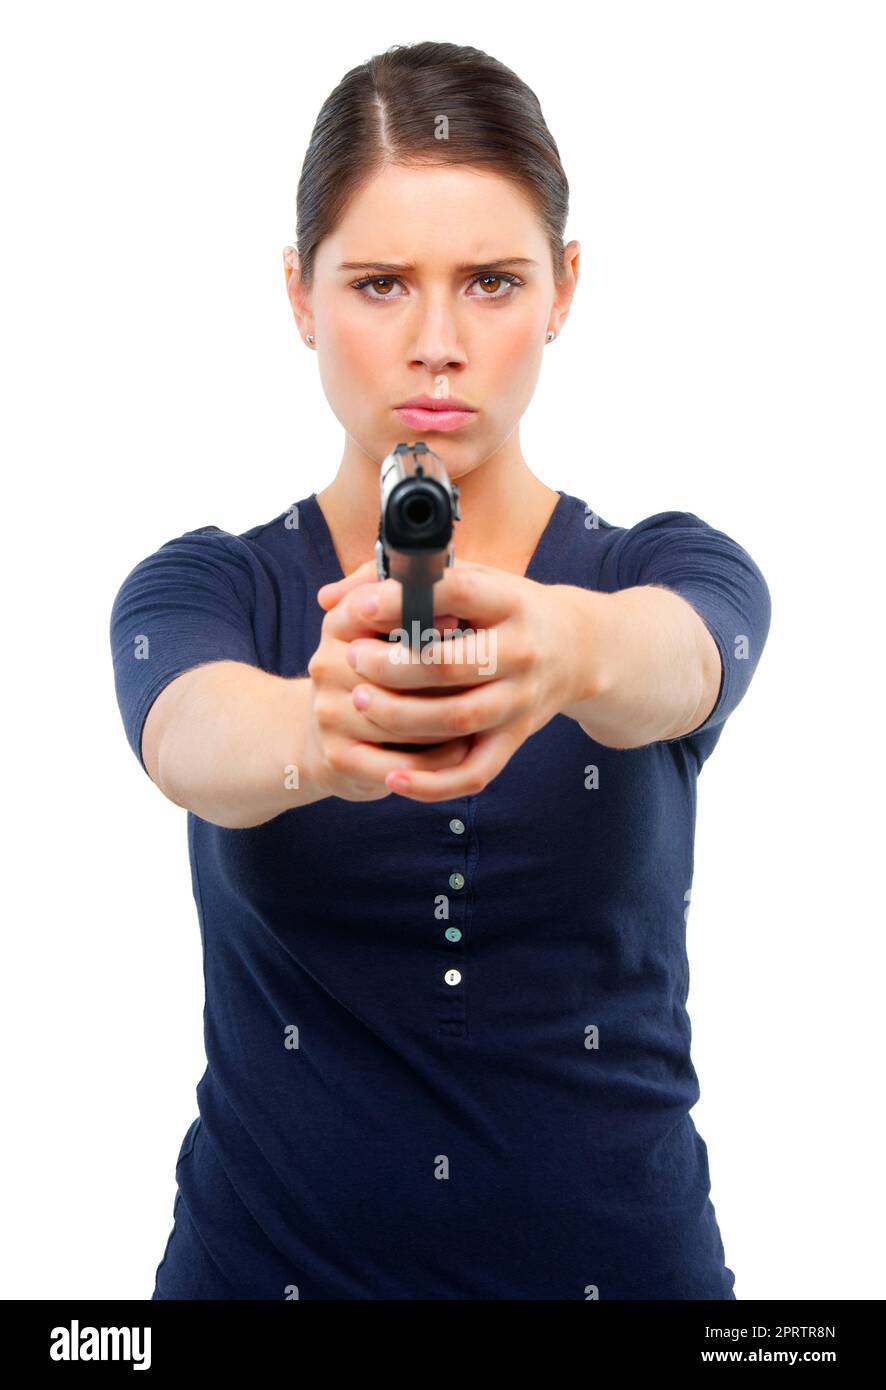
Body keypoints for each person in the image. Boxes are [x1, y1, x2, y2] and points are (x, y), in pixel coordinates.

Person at [109, 41, 771, 1300]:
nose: (435, 345)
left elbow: (683, 657)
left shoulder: (667, 566)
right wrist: (325, 725)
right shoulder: (202, 587)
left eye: (488, 281)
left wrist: (560, 650)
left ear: (563, 288)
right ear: (299, 293)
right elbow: (190, 732)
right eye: (376, 284)